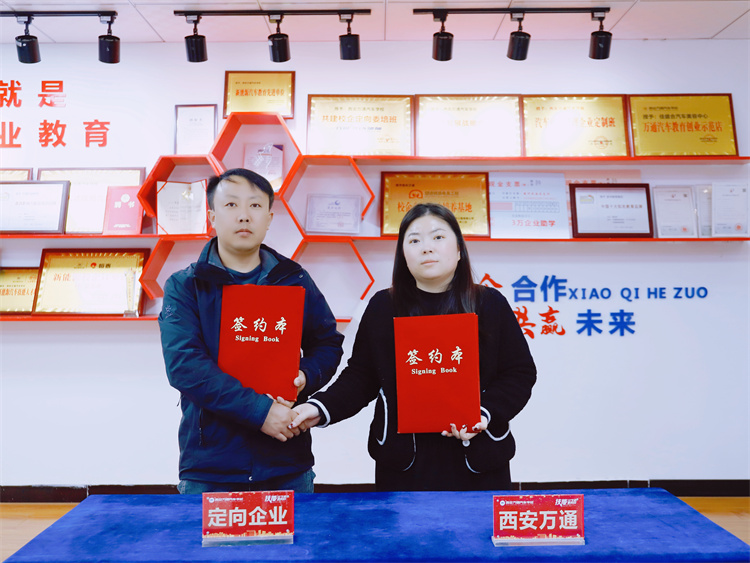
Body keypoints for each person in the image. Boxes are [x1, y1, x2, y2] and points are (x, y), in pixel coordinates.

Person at [292, 203, 536, 491]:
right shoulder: (383, 307)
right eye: (414, 240)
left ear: (459, 249)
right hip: (403, 461)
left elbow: (519, 373)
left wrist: (484, 413)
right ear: (403, 255)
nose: (427, 248)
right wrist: (319, 407)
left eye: (438, 237)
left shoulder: (489, 304)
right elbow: (361, 377)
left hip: (479, 456)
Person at [159, 168, 344, 494]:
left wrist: (305, 375)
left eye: (255, 206)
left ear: (269, 218)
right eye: (231, 205)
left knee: (295, 531)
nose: (244, 215)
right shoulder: (186, 286)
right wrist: (261, 413)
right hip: (211, 466)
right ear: (212, 216)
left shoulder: (294, 279)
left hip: (286, 459)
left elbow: (328, 343)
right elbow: (185, 367)